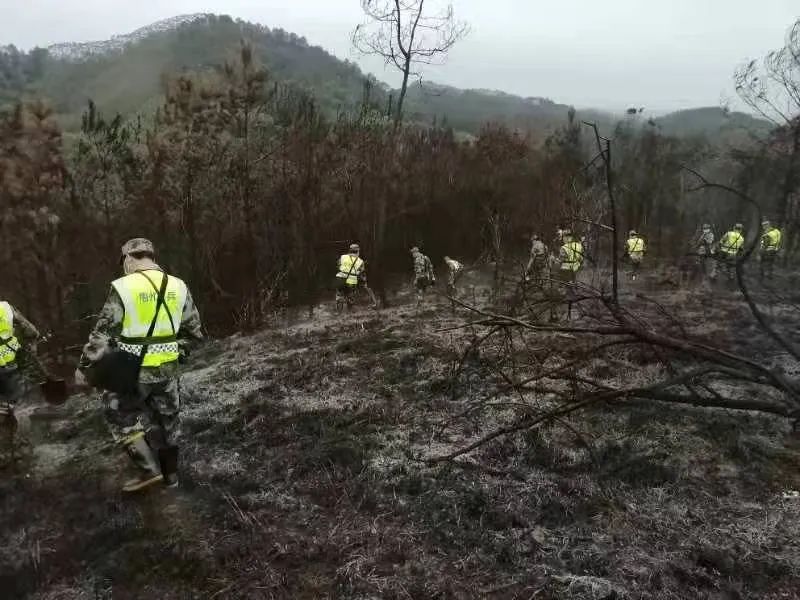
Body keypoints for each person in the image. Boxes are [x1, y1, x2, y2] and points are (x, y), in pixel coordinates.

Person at [75, 238, 203, 493]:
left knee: (118, 414)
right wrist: (174, 352)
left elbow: (102, 332)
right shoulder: (178, 286)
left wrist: (84, 366)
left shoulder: (123, 287)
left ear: (129, 259)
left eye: (123, 262)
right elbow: (194, 333)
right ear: (151, 257)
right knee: (167, 422)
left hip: (131, 370)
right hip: (167, 369)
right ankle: (171, 479)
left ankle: (148, 469)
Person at [0, 301, 40, 424]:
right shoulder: (6, 308)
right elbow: (32, 332)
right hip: (11, 369)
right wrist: (31, 351)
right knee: (18, 405)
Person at [551, 229, 584, 321]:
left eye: (564, 237)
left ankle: (555, 314)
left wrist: (554, 260)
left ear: (567, 237)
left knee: (556, 290)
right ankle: (569, 315)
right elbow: (581, 260)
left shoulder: (564, 247)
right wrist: (576, 266)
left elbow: (559, 262)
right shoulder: (579, 246)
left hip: (564, 271)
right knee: (571, 291)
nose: (563, 239)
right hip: (574, 271)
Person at [336, 243, 367, 311]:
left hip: (340, 278)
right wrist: (364, 281)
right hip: (352, 280)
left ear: (350, 250)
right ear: (358, 251)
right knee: (350, 295)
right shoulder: (360, 261)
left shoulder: (342, 257)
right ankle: (350, 310)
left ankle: (339, 310)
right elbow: (361, 272)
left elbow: (338, 266)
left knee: (339, 294)